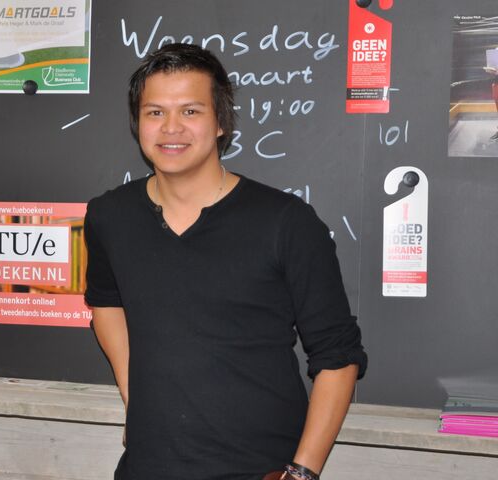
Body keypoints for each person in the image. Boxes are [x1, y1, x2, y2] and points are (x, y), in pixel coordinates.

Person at [84, 44, 367, 480]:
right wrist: (133, 394)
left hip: (262, 467)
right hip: (147, 467)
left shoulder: (285, 222)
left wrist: (301, 473)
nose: (171, 128)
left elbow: (338, 355)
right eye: (155, 112)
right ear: (138, 123)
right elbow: (105, 304)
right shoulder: (109, 216)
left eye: (190, 111)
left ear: (220, 122)